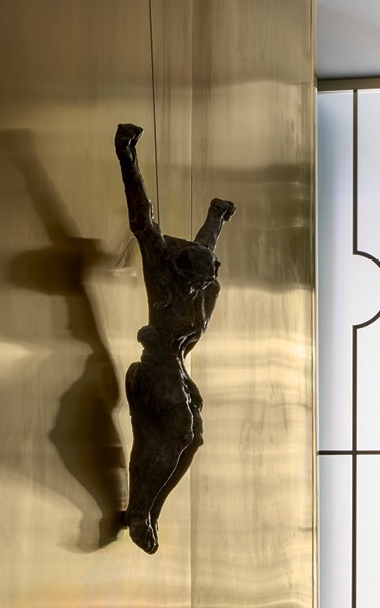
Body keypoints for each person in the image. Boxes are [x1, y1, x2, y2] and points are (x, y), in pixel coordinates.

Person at [115, 122, 235, 553]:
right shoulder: (163, 265)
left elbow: (207, 244)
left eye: (203, 285)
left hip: (176, 367)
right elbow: (142, 217)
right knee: (182, 432)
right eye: (193, 283)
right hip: (157, 364)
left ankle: (149, 512)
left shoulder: (199, 274)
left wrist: (216, 216)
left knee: (193, 438)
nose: (197, 291)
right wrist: (126, 155)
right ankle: (140, 514)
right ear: (181, 270)